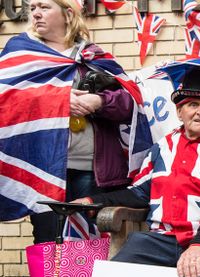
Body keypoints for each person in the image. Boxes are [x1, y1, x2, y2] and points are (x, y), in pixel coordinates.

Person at [73, 67, 200, 277]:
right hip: (161, 240)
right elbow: (139, 193)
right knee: (115, 274)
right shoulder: (163, 147)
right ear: (179, 112)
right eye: (193, 104)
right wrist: (93, 200)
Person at [1, 0, 135, 244]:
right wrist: (58, 99)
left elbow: (129, 103)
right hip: (44, 169)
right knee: (49, 241)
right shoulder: (21, 51)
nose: (36, 14)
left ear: (68, 13)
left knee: (90, 244)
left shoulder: (93, 55)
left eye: (44, 7)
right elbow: (6, 99)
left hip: (92, 170)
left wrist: (99, 102)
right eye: (32, 8)